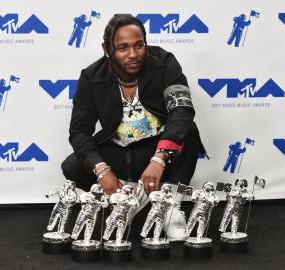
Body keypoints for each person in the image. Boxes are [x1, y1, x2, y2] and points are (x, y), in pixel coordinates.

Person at [62, 14, 206, 241]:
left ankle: (168, 202)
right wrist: (102, 170)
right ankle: (127, 195)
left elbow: (182, 110)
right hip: (119, 152)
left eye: (139, 45)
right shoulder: (91, 77)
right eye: (123, 48)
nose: (133, 54)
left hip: (156, 150)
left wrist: (159, 158)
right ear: (107, 48)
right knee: (73, 165)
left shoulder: (164, 62)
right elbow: (79, 131)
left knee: (188, 131)